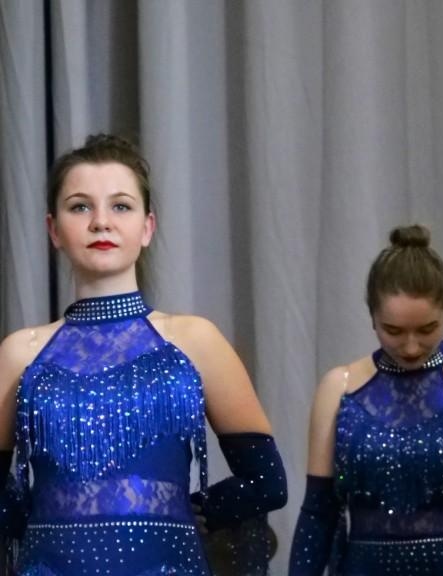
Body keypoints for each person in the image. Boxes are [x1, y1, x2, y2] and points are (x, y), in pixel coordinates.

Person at [0, 134, 288, 574]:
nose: (101, 222)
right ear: (54, 229)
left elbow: (266, 482)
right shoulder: (21, 353)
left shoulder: (194, 341)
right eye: (80, 207)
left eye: (120, 206)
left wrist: (180, 515)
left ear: (147, 227)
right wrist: (39, 521)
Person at [289, 224, 443, 575]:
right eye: (394, 331)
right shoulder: (340, 388)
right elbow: (318, 511)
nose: (411, 347)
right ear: (372, 318)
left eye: (427, 329)